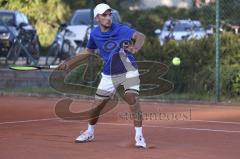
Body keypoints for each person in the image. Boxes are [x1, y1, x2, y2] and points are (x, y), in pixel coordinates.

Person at [59, 3, 146, 148]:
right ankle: (89, 132)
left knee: (132, 100)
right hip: (109, 73)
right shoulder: (94, 33)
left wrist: (136, 47)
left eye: (109, 14)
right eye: (104, 15)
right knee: (96, 107)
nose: (108, 17)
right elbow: (88, 52)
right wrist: (69, 63)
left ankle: (139, 137)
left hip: (128, 70)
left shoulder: (121, 29)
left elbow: (140, 36)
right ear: (97, 18)